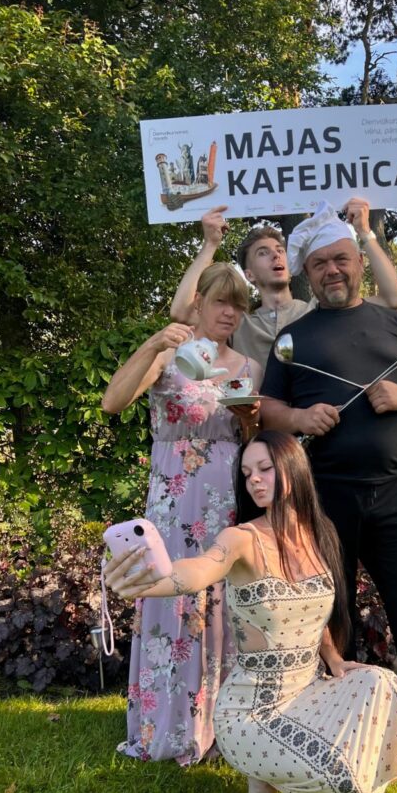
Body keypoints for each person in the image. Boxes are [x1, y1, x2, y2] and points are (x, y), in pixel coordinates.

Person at [104, 430, 397, 793]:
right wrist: (149, 581)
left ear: (293, 468)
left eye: (264, 469)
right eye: (246, 473)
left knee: (383, 684)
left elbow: (313, 611)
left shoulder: (320, 534)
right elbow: (199, 570)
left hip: (306, 692)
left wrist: (334, 659)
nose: (254, 480)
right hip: (250, 710)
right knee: (339, 770)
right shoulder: (241, 539)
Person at [259, 204, 397, 769]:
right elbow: (266, 409)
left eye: (340, 259)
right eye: (319, 265)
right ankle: (340, 725)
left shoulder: (396, 323)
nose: (331, 271)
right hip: (326, 497)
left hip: (395, 494)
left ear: (359, 261)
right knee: (334, 615)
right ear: (307, 275)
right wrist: (300, 418)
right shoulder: (291, 337)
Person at [102, 263, 263, 764]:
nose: (230, 313)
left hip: (225, 503)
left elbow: (253, 444)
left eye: (239, 305)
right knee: (169, 596)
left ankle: (220, 730)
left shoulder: (247, 367)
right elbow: (112, 402)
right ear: (198, 304)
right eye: (221, 302)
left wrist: (250, 421)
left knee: (222, 606)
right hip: (173, 505)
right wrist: (153, 343)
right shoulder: (170, 354)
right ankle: (166, 726)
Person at [169, 198, 397, 369]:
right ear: (249, 275)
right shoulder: (239, 325)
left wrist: (365, 233)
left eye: (280, 250)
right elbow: (181, 312)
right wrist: (210, 244)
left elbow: (393, 298)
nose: (276, 255)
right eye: (263, 253)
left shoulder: (319, 310)